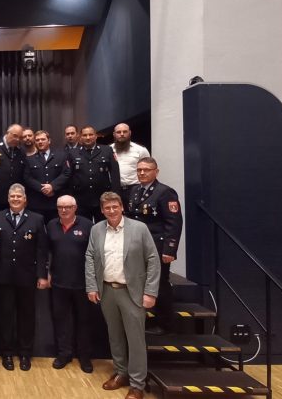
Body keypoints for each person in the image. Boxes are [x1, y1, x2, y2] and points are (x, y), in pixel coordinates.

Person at [85, 192, 159, 399]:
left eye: (114, 207)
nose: (111, 211)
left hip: (132, 292)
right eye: (107, 208)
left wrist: (150, 292)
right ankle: (121, 373)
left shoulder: (139, 229)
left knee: (135, 340)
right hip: (107, 291)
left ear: (122, 207)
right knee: (115, 336)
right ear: (102, 210)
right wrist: (92, 287)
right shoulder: (97, 230)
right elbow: (90, 257)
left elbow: (153, 260)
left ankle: (137, 384)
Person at [0, 183, 48, 372]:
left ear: (25, 199)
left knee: (27, 316)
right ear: (8, 199)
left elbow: (41, 250)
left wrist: (42, 275)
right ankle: (6, 353)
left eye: (19, 196)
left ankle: (25, 353)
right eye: (12, 196)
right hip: (3, 276)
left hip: (27, 276)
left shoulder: (37, 219)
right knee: (5, 316)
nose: (15, 199)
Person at [125, 157, 183, 335]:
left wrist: (170, 249)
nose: (142, 173)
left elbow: (173, 223)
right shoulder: (135, 190)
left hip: (157, 247)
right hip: (137, 245)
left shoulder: (165, 193)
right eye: (139, 170)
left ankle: (165, 324)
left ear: (156, 172)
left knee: (159, 284)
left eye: (146, 170)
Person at [43, 195, 94, 373]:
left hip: (83, 283)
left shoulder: (88, 226)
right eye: (60, 207)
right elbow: (47, 251)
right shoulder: (51, 225)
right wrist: (47, 272)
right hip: (58, 283)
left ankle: (85, 356)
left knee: (84, 321)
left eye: (68, 207)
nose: (64, 210)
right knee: (61, 320)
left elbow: (94, 254)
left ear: (75, 207)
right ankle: (64, 354)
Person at [69, 126, 121, 222]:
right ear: (80, 137)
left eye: (90, 134)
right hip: (80, 199)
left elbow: (115, 174)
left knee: (104, 226)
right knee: (83, 227)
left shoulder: (107, 150)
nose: (88, 137)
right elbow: (69, 176)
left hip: (103, 198)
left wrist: (115, 196)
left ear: (96, 136)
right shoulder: (73, 153)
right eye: (85, 135)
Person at [23, 130, 70, 222]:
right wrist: (42, 188)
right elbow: (27, 177)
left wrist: (52, 186)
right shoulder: (29, 159)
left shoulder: (61, 155)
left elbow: (66, 173)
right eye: (37, 140)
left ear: (49, 141)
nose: (40, 142)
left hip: (56, 201)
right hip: (37, 203)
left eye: (43, 139)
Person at [111, 123, 150, 200]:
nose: (122, 134)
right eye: (119, 132)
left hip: (135, 189)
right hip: (114, 191)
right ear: (114, 134)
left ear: (130, 133)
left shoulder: (140, 150)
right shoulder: (108, 150)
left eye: (125, 132)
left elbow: (148, 170)